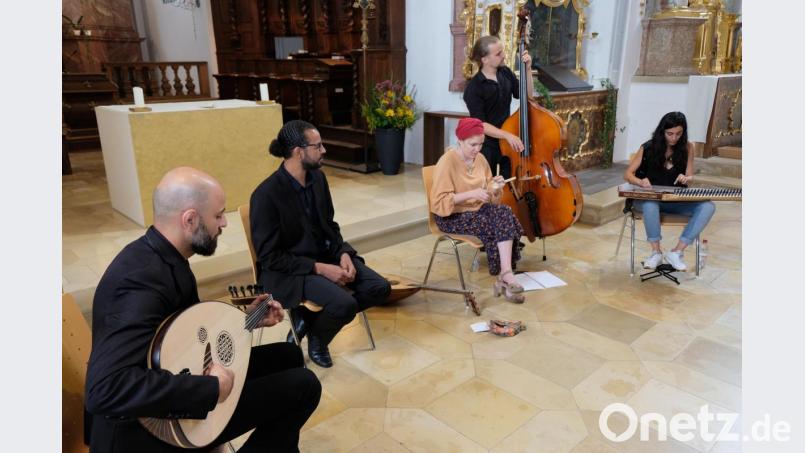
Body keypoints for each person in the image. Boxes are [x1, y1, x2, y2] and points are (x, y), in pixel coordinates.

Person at [84, 167, 321, 453]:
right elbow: (106, 390)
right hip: (141, 431)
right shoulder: (139, 281)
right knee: (305, 387)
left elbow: (178, 335)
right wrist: (210, 389)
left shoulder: (166, 256)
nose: (224, 223)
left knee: (289, 355)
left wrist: (251, 319)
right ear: (190, 219)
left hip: (172, 377)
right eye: (218, 214)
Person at [249, 120, 391, 368]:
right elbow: (270, 257)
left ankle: (311, 326)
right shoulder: (266, 195)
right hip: (291, 271)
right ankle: (319, 341)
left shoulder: (318, 179)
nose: (324, 150)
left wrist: (344, 253)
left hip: (324, 255)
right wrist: (321, 269)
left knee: (379, 288)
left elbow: (329, 225)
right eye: (318, 146)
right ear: (298, 151)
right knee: (344, 304)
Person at [430, 117, 526, 303]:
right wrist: (470, 194)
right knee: (500, 224)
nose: (477, 149)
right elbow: (439, 203)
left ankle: (506, 273)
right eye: (472, 145)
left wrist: (495, 188)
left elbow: (492, 199)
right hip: (451, 215)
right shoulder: (447, 161)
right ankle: (505, 276)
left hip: (475, 210)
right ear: (459, 140)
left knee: (505, 212)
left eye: (481, 144)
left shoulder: (480, 159)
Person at [623, 111, 716, 271]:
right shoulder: (648, 147)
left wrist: (687, 179)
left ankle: (677, 252)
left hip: (674, 200)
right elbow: (627, 174)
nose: (674, 138)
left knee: (708, 206)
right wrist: (640, 181)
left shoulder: (688, 147)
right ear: (662, 131)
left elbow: (689, 175)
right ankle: (656, 252)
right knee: (650, 205)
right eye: (670, 134)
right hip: (647, 200)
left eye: (678, 134)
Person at [463, 35, 534, 179]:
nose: (503, 55)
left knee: (508, 183)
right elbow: (480, 125)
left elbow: (528, 95)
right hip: (486, 146)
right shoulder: (474, 88)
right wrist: (507, 135)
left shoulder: (506, 73)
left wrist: (528, 69)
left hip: (508, 144)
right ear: (484, 59)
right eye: (498, 53)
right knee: (487, 186)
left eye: (502, 51)